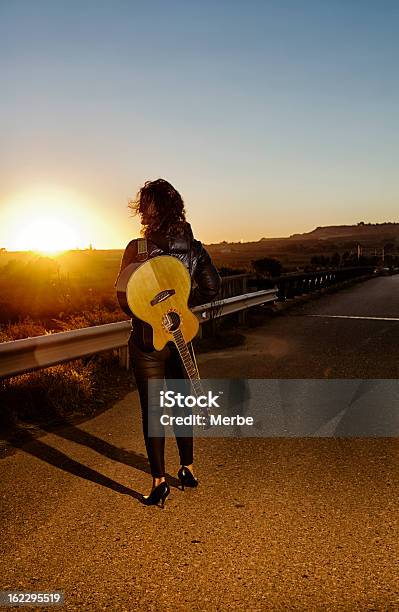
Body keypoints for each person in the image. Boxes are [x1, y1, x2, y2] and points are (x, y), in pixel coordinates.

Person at [116, 179, 221, 507]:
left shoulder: (139, 248)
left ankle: (159, 480)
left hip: (148, 340)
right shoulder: (195, 248)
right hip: (182, 334)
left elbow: (124, 299)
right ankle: (187, 468)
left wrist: (153, 311)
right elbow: (213, 288)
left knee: (155, 409)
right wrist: (180, 307)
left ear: (150, 210)